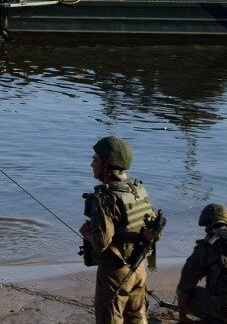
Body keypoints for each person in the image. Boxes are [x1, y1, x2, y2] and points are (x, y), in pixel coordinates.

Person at [80, 136, 158, 324]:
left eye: (95, 159)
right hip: (138, 266)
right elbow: (152, 226)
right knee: (137, 317)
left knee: (110, 318)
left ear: (107, 166)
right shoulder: (137, 189)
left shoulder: (105, 197)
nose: (92, 164)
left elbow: (102, 242)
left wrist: (87, 233)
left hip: (115, 272)